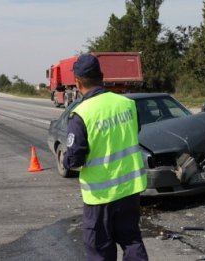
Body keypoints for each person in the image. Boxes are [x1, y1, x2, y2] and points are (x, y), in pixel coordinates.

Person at [63, 53, 148, 261]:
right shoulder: (126, 104)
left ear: (77, 81)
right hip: (129, 190)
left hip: (100, 196)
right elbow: (133, 133)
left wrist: (66, 159)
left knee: (100, 249)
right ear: (101, 77)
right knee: (132, 240)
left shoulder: (81, 114)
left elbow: (74, 160)